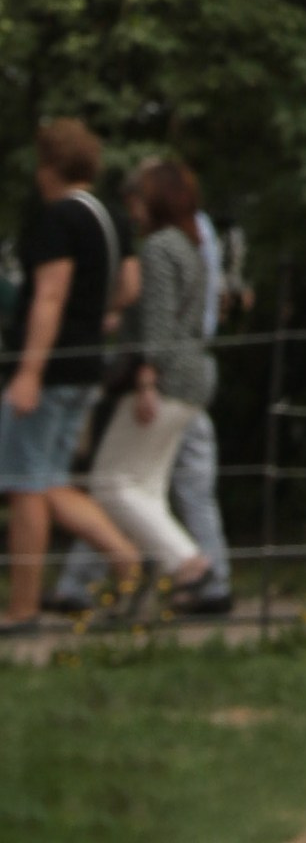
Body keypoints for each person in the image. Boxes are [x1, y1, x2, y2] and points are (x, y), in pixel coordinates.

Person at [3, 121, 142, 632]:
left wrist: (28, 372)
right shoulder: (111, 217)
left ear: (50, 167)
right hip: (88, 364)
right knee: (52, 481)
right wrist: (95, 315)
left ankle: (22, 609)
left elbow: (50, 295)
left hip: (51, 367)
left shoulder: (59, 218)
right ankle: (127, 560)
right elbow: (129, 287)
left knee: (23, 485)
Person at [81, 162, 221, 603]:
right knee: (146, 489)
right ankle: (151, 590)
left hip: (163, 379)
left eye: (139, 199)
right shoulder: (190, 245)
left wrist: (145, 381)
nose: (133, 210)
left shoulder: (158, 248)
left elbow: (158, 328)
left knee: (109, 483)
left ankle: (187, 563)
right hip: (192, 379)